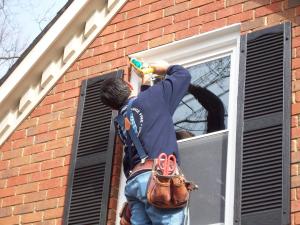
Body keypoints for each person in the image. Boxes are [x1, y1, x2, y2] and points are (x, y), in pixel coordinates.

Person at [100, 60, 191, 225]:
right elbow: (183, 76)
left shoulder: (120, 122)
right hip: (159, 179)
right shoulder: (154, 97)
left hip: (135, 183)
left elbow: (139, 114)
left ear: (113, 107)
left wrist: (146, 84)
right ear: (129, 84)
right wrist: (165, 68)